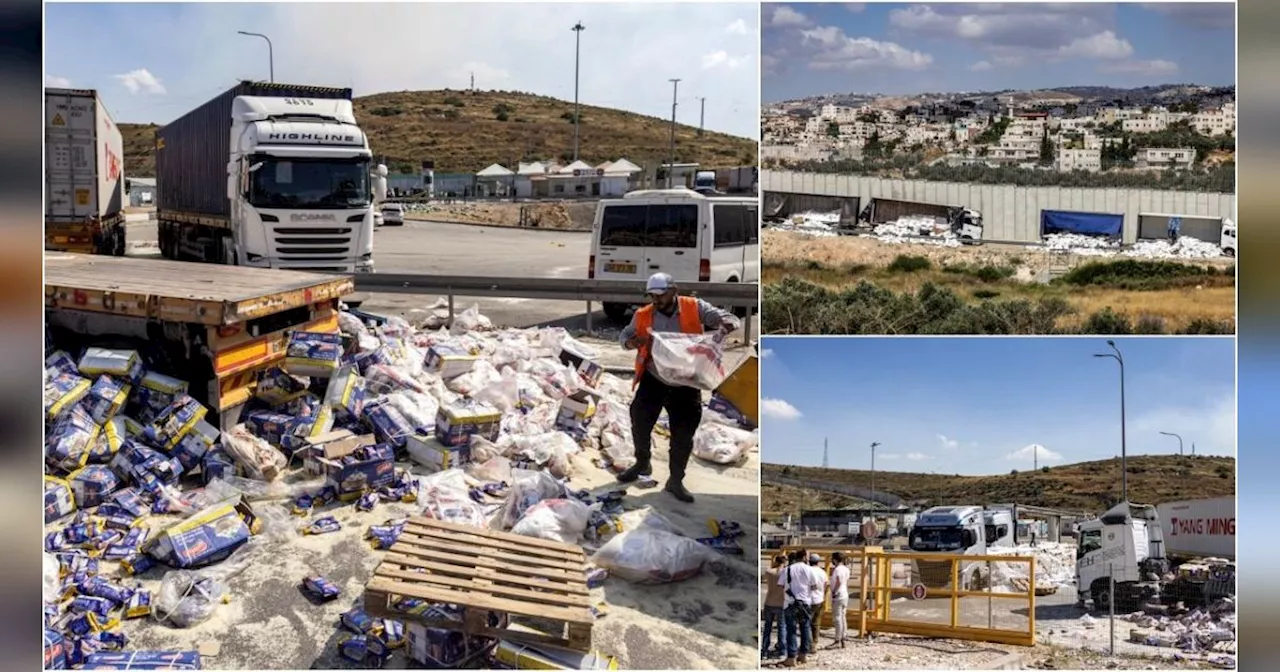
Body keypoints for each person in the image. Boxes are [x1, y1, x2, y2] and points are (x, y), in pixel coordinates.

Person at [618, 272, 740, 503]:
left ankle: (675, 480)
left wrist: (727, 324)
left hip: (686, 381)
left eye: (660, 295)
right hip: (655, 379)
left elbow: (726, 317)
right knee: (640, 422)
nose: (656, 300)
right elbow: (625, 334)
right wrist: (630, 342)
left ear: (674, 290)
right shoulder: (643, 315)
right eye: (652, 296)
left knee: (683, 434)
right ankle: (642, 463)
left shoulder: (694, 307)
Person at [779, 549, 815, 667]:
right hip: (805, 602)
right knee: (805, 628)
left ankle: (791, 658)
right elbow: (814, 587)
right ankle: (803, 655)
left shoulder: (787, 569)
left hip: (790, 603)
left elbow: (780, 585)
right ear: (804, 557)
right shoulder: (809, 569)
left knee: (791, 630)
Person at [761, 555, 788, 660]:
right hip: (781, 603)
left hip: (769, 602)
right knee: (782, 627)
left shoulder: (769, 571)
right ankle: (782, 652)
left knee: (767, 627)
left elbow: (764, 578)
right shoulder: (785, 573)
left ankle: (764, 651)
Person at [806, 553, 828, 654]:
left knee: (806, 623)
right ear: (818, 561)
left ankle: (808, 644)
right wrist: (823, 595)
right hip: (819, 599)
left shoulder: (807, 571)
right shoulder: (822, 572)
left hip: (808, 600)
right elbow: (826, 585)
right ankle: (814, 643)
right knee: (816, 623)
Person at [829, 552, 851, 648]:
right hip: (844, 594)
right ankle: (843, 637)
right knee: (843, 616)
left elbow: (838, 581)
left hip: (838, 594)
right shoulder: (846, 569)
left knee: (837, 618)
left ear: (835, 559)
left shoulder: (837, 569)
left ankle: (837, 639)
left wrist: (834, 591)